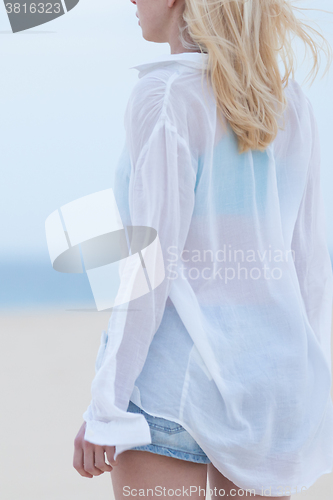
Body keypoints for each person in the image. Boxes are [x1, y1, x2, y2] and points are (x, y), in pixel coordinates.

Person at [73, 1, 333, 499]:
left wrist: (105, 405)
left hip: (174, 391)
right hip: (271, 391)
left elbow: (150, 265)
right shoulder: (290, 101)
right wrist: (308, 384)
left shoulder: (166, 95)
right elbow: (309, 265)